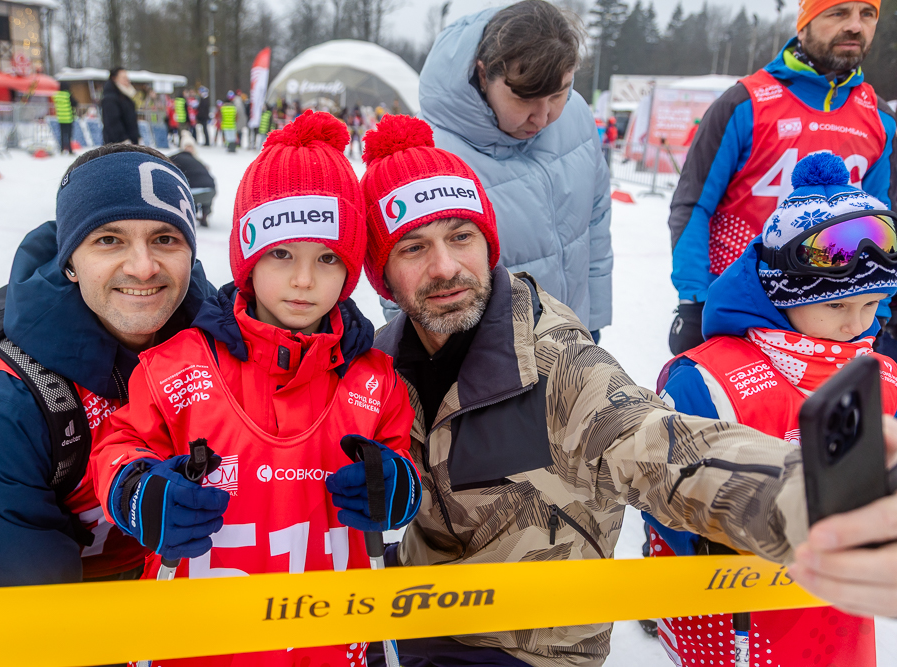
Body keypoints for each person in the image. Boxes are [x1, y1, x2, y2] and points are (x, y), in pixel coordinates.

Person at [358, 114, 897, 666]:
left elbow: (656, 443)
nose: (446, 267)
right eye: (413, 247)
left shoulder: (555, 359)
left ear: (489, 242)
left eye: (461, 236)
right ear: (383, 276)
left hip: (530, 648)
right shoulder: (378, 365)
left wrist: (826, 495)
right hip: (416, 622)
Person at [91, 111, 420, 666]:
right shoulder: (175, 366)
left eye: (328, 259)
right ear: (248, 256)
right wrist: (140, 492)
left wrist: (396, 490)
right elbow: (118, 445)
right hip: (194, 646)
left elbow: (397, 463)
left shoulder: (375, 379)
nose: (303, 280)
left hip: (330, 645)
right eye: (282, 254)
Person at [0, 144, 216, 591]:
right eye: (108, 240)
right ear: (69, 261)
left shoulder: (219, 351)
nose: (143, 267)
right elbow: (32, 629)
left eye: (165, 238)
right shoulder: (3, 411)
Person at [649, 152, 897, 665]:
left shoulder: (881, 373)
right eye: (835, 306)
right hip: (733, 622)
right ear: (781, 294)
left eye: (872, 306)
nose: (857, 324)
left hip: (838, 617)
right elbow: (661, 488)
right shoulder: (706, 377)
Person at [667, 0, 895, 355]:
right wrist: (694, 300)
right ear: (802, 24)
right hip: (743, 311)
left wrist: (876, 311)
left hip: (835, 319)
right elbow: (693, 205)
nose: (855, 25)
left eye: (867, 14)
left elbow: (881, 222)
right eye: (838, 12)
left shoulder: (880, 118)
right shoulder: (745, 102)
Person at [417, 0, 612, 339]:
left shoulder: (577, 115)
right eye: (524, 98)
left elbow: (595, 222)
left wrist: (592, 322)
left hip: (575, 334)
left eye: (558, 93)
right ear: (483, 74)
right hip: (485, 360)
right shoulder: (431, 153)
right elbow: (405, 276)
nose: (543, 116)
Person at [170, 131, 217, 225]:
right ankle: (203, 215)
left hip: (195, 191)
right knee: (204, 193)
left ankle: (191, 216)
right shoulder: (196, 160)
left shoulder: (176, 158)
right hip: (211, 191)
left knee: (188, 193)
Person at [101, 67, 140, 145]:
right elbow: (112, 122)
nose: (127, 80)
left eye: (127, 78)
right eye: (124, 78)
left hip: (130, 142)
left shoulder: (126, 96)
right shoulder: (110, 98)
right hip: (118, 144)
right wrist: (123, 140)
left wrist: (136, 136)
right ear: (114, 79)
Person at [53, 81, 76, 155]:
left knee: (62, 134)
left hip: (60, 118)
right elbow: (75, 103)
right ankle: (70, 150)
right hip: (68, 118)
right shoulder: (68, 95)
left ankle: (62, 149)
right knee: (69, 135)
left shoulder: (57, 95)